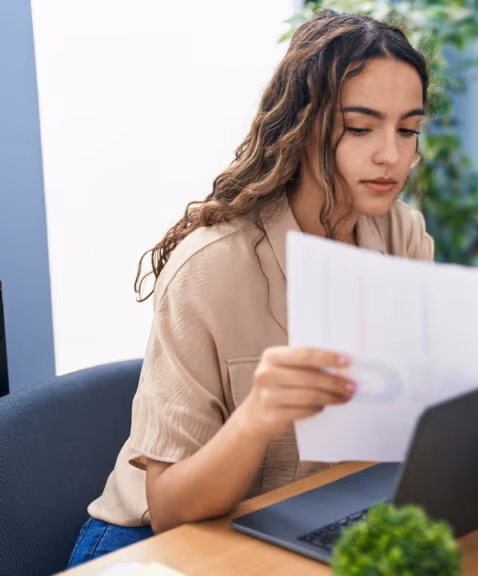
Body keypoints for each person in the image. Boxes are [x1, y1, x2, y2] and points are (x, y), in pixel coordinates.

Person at [67, 10, 434, 567]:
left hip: (303, 519)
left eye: (407, 129)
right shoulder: (212, 266)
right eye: (360, 127)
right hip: (156, 543)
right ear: (303, 124)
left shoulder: (402, 235)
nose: (392, 155)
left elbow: (398, 424)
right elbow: (169, 510)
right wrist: (258, 418)